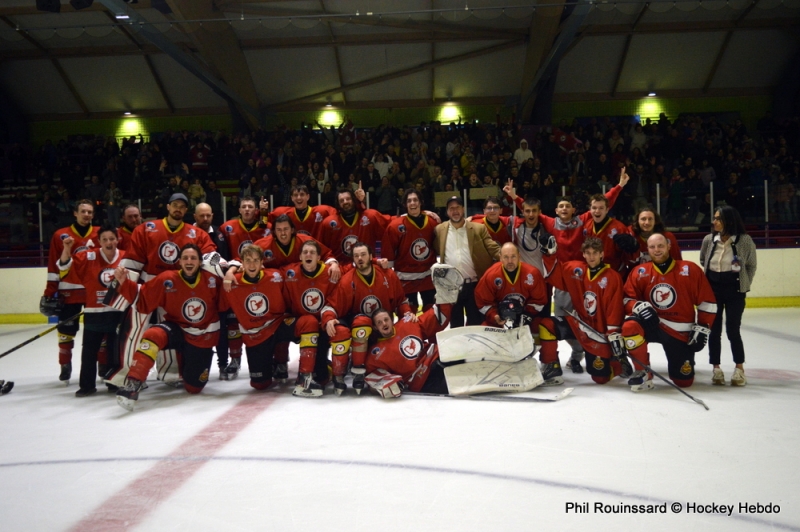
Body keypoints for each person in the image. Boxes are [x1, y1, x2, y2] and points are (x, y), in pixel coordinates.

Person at [365, 265, 543, 398]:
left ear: (392, 318)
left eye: (386, 319)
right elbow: (373, 376)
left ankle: (517, 350)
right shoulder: (375, 354)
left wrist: (444, 296)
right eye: (379, 323)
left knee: (472, 343)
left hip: (437, 357)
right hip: (425, 380)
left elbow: (437, 318)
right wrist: (385, 384)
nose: (384, 324)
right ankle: (517, 377)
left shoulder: (407, 324)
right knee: (473, 374)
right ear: (375, 327)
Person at [110, 244, 227, 410]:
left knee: (194, 388)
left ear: (200, 262)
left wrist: (231, 273)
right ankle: (133, 383)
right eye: (185, 258)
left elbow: (226, 302)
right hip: (176, 329)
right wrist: (123, 282)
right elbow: (143, 299)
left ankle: (184, 362)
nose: (189, 261)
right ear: (179, 261)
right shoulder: (167, 279)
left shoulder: (213, 279)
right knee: (153, 335)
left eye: (193, 258)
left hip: (203, 336)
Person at [621, 234, 717, 392]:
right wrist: (638, 306)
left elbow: (707, 302)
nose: (656, 250)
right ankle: (643, 371)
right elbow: (626, 299)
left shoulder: (690, 269)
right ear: (648, 250)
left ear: (669, 246)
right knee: (630, 326)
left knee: (683, 381)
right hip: (652, 325)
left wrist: (703, 327)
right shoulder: (640, 272)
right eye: (652, 247)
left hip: (679, 332)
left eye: (660, 246)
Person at [544, 237, 632, 385]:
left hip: (599, 332)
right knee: (547, 324)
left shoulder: (612, 277)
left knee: (600, 378)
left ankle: (617, 363)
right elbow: (556, 274)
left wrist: (613, 333)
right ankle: (551, 366)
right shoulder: (576, 270)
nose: (591, 256)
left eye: (595, 253)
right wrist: (550, 254)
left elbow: (614, 308)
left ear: (602, 254)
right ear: (583, 254)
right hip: (579, 324)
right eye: (588, 253)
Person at [473, 243, 563, 386]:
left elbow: (540, 300)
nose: (510, 261)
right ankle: (489, 368)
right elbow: (482, 302)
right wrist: (494, 316)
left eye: (513, 257)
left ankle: (550, 364)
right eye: (506, 257)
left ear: (519, 257)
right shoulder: (491, 275)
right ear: (500, 258)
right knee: (485, 331)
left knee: (547, 326)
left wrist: (527, 315)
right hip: (501, 320)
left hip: (526, 317)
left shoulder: (532, 274)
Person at [332, 242, 413, 395]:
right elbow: (335, 305)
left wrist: (407, 315)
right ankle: (355, 371)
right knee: (358, 324)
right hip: (360, 332)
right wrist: (329, 318)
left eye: (363, 255)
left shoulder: (387, 274)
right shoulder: (348, 280)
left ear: (370, 256)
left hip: (382, 332)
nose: (360, 258)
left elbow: (401, 300)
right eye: (356, 256)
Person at [57, 225, 125, 396]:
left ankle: (113, 382)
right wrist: (67, 247)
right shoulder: (89, 256)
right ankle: (87, 385)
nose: (109, 242)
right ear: (99, 241)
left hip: (117, 312)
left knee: (114, 350)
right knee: (89, 351)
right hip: (94, 312)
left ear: (117, 240)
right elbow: (65, 265)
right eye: (104, 239)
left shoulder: (125, 257)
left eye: (112, 239)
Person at [40, 199, 99, 384]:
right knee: (66, 332)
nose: (87, 215)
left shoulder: (99, 234)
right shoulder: (60, 235)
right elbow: (53, 266)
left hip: (92, 292)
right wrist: (50, 291)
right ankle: (65, 365)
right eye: (83, 211)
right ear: (75, 213)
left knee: (100, 332)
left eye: (90, 212)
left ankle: (104, 366)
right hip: (68, 292)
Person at [221, 244, 296, 390]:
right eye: (248, 260)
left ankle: (312, 369)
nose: (252, 264)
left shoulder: (275, 276)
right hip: (255, 336)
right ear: (241, 263)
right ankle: (270, 365)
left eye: (256, 260)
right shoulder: (232, 282)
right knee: (260, 384)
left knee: (307, 324)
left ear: (262, 263)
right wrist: (230, 271)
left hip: (277, 325)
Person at [281, 240, 348, 397]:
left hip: (322, 325)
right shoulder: (290, 272)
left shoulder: (330, 273)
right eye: (305, 252)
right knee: (260, 382)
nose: (308, 255)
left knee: (322, 377)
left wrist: (334, 263)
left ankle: (331, 370)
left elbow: (355, 266)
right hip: (301, 324)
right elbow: (268, 271)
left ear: (319, 257)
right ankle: (281, 365)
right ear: (300, 257)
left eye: (312, 252)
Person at [699, 205, 757, 386]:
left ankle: (739, 368)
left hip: (735, 290)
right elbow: (703, 260)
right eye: (714, 218)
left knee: (733, 329)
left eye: (718, 218)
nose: (714, 221)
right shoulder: (709, 239)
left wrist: (744, 283)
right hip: (713, 289)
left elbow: (751, 265)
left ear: (729, 221)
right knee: (714, 330)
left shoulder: (745, 240)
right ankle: (716, 368)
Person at [433, 195, 500, 327]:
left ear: (463, 209)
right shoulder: (440, 229)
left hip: (474, 285)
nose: (455, 211)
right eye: (451, 208)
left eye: (458, 207)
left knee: (475, 325)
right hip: (451, 287)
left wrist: (508, 257)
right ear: (447, 212)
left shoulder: (478, 228)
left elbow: (493, 248)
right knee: (455, 325)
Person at [381, 189, 438, 314]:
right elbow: (388, 253)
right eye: (409, 201)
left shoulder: (433, 222)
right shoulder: (396, 226)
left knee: (431, 313)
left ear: (421, 203)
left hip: (428, 277)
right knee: (407, 313)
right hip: (405, 278)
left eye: (415, 200)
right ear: (405, 205)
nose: (412, 203)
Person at [194, 202, 234, 379]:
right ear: (194, 216)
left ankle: (223, 365)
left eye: (208, 215)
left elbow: (226, 260)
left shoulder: (220, 234)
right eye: (201, 215)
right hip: (194, 291)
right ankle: (196, 367)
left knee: (222, 329)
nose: (205, 219)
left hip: (218, 292)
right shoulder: (188, 234)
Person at [318, 186, 390, 272]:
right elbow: (321, 248)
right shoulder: (329, 223)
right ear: (338, 204)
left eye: (348, 199)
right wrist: (332, 262)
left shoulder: (370, 216)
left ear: (353, 200)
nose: (345, 202)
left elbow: (392, 226)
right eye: (341, 200)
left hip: (367, 267)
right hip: (341, 270)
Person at [266, 185, 337, 240]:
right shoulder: (283, 213)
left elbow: (339, 217)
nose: (299, 198)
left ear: (308, 197)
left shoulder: (322, 211)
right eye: (295, 195)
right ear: (292, 198)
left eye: (302, 194)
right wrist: (263, 210)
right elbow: (264, 222)